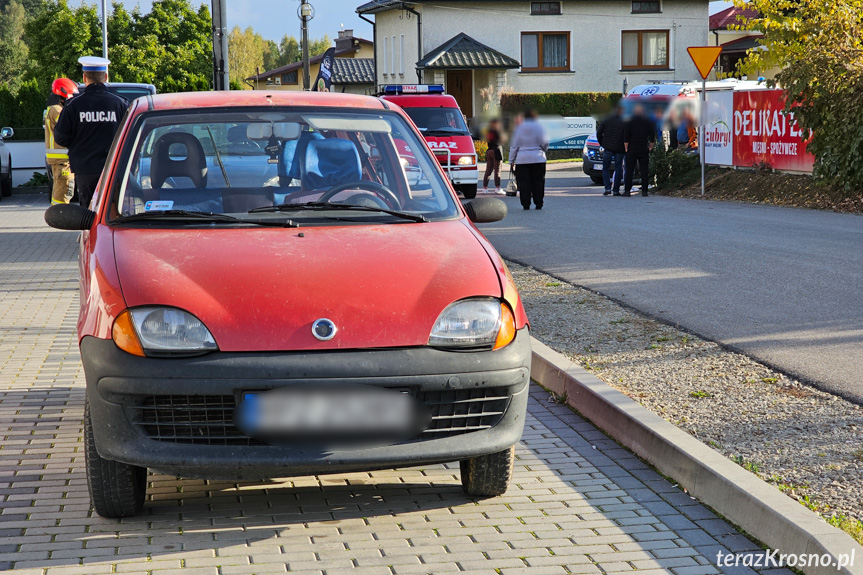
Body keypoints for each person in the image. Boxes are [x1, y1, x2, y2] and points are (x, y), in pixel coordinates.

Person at [54, 56, 128, 208]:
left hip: (85, 169)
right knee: (113, 209)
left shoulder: (73, 105)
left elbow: (60, 138)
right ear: (106, 77)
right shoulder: (120, 103)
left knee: (88, 212)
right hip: (114, 168)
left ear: (84, 77)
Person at [44, 78, 78, 205]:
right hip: (63, 160)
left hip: (59, 160)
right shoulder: (58, 111)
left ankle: (57, 213)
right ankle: (60, 215)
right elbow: (68, 129)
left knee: (59, 191)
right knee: (64, 192)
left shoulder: (52, 109)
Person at [509, 108, 548, 210]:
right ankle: (538, 203)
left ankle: (526, 204)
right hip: (538, 158)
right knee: (538, 181)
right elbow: (545, 142)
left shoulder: (519, 129)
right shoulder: (539, 128)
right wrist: (543, 150)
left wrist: (511, 160)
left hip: (522, 160)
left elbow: (514, 146)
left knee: (524, 182)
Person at [623, 104, 655, 197]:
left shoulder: (630, 121)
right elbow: (652, 134)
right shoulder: (647, 121)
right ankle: (644, 191)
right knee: (644, 170)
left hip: (632, 148)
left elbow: (626, 135)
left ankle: (627, 191)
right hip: (643, 148)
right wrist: (650, 145)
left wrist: (626, 147)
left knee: (629, 170)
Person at [596, 106, 625, 196]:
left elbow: (599, 133)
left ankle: (607, 188)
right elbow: (627, 135)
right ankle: (616, 190)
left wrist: (602, 143)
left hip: (608, 148)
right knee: (618, 168)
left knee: (605, 168)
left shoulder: (606, 120)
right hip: (620, 148)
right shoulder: (624, 121)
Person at [482, 119, 504, 195]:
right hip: (496, 151)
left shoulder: (488, 131)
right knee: (497, 170)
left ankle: (485, 188)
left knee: (488, 170)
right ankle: (498, 188)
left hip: (489, 150)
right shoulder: (498, 131)